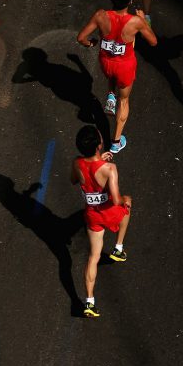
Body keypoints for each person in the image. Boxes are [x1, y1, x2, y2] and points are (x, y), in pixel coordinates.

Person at [76, 0, 157, 154]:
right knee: (124, 100)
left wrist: (91, 43)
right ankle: (116, 142)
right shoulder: (135, 22)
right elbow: (153, 42)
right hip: (125, 67)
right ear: (129, 1)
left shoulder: (100, 15)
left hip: (106, 62)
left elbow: (81, 38)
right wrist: (144, 20)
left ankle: (111, 95)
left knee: (111, 75)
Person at [70, 125, 132, 319]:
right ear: (99, 146)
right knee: (127, 205)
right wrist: (125, 200)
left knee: (93, 256)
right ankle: (118, 247)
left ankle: (89, 301)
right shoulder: (110, 169)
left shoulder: (76, 163)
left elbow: (74, 180)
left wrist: (96, 161)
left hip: (92, 215)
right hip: (108, 212)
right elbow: (115, 198)